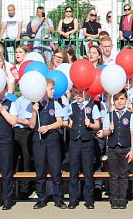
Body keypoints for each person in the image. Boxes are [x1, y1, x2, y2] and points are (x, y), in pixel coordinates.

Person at [30, 78, 67, 209]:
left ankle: (58, 197)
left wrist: (48, 127)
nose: (53, 91)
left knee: (55, 169)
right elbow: (31, 125)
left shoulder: (55, 104)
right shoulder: (35, 104)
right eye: (51, 88)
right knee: (40, 169)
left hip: (52, 139)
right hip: (39, 140)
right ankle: (41, 197)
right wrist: (34, 112)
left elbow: (59, 122)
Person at [99, 90, 133, 209]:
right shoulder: (109, 115)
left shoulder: (130, 115)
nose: (119, 102)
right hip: (113, 148)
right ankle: (114, 198)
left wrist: (132, 149)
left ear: (126, 100)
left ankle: (122, 198)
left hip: (125, 148)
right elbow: (104, 133)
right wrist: (109, 130)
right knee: (114, 175)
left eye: (121, 99)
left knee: (124, 174)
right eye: (116, 99)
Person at [66, 86, 101, 209]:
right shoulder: (72, 106)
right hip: (75, 141)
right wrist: (68, 122)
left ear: (86, 93)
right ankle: (73, 199)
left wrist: (90, 124)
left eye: (80, 92)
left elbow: (97, 124)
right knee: (74, 171)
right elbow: (67, 120)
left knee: (88, 171)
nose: (78, 95)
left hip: (87, 142)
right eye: (76, 92)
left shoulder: (92, 106)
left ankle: (89, 199)